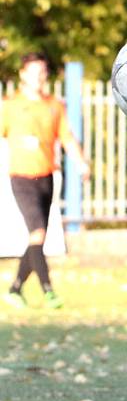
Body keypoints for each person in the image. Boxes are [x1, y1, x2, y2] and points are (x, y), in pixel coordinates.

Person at [0, 52, 90, 309]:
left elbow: (68, 138)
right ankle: (48, 291)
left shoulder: (53, 105)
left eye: (42, 72)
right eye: (33, 72)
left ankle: (15, 288)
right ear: (22, 75)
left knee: (37, 238)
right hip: (21, 177)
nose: (38, 77)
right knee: (38, 233)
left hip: (46, 176)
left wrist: (82, 162)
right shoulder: (11, 105)